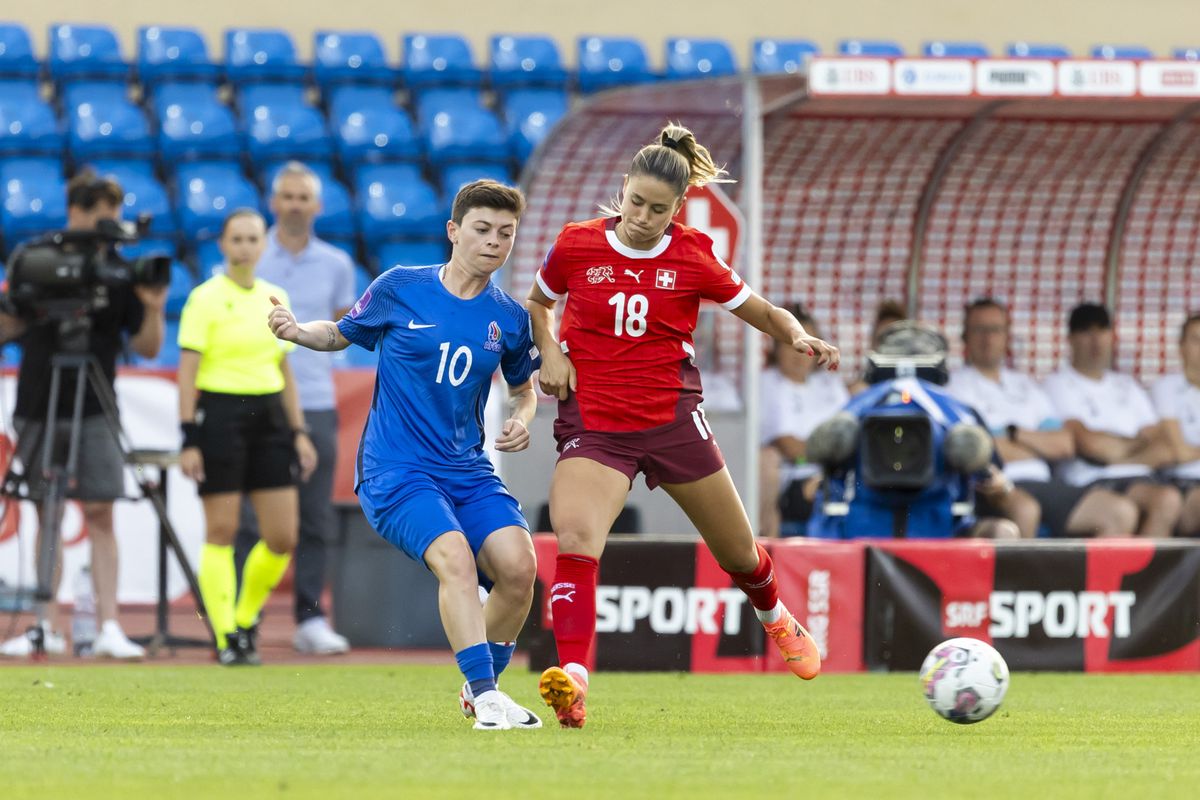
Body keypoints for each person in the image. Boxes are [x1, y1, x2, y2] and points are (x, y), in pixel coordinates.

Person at [526, 123, 840, 729]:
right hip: (596, 424)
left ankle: (776, 616)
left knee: (739, 554)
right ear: (622, 191)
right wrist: (552, 351)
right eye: (636, 202)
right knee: (575, 544)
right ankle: (574, 681)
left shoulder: (692, 253)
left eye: (658, 209)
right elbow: (540, 303)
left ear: (679, 207)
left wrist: (797, 335)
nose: (643, 217)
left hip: (672, 420)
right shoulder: (576, 245)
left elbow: (762, 311)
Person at [268, 180, 544, 731]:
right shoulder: (400, 287)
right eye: (482, 229)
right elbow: (340, 334)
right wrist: (299, 332)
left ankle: (479, 688)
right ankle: (488, 696)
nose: (494, 242)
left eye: (505, 233)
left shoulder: (510, 317)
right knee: (456, 561)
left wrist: (521, 418)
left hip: (465, 468)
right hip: (396, 468)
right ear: (453, 230)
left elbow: (523, 387)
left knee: (519, 569)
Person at [1, 170, 167, 660]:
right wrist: (30, 306)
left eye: (114, 214)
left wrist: (153, 306)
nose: (108, 225)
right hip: (39, 399)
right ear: (76, 211)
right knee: (45, 510)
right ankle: (45, 624)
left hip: (97, 403)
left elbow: (148, 346)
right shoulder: (37, 259)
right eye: (101, 214)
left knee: (101, 511)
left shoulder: (118, 272)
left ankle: (109, 626)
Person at [177, 209, 318, 665]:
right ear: (223, 244)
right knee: (221, 530)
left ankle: (243, 618)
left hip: (270, 414)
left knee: (282, 535)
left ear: (263, 245)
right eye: (236, 238)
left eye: (252, 239)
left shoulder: (273, 297)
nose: (243, 247)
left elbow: (284, 368)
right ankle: (225, 638)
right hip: (220, 413)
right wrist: (189, 437)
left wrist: (299, 431)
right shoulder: (204, 298)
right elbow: (188, 373)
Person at [235, 162, 356, 655]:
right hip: (255, 400)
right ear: (273, 202)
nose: (294, 204)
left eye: (303, 197)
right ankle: (245, 619)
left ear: (317, 206)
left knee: (315, 516)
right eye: (286, 196)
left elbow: (350, 326)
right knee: (248, 518)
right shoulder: (249, 256)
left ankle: (310, 617)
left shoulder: (337, 264)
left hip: (317, 401)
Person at [946, 298, 1135, 537]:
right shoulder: (954, 387)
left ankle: (1086, 577)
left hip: (1044, 483)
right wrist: (1036, 444)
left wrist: (1012, 435)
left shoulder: (1026, 385)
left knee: (1120, 511)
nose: (988, 338)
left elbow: (1064, 445)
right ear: (965, 337)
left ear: (1006, 336)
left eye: (995, 330)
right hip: (993, 484)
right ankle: (1020, 576)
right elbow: (980, 452)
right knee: (1026, 510)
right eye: (980, 330)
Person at [1042, 303, 1182, 537]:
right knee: (1160, 500)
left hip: (1140, 478)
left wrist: (1110, 452)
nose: (1096, 340)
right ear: (1072, 339)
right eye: (1087, 331)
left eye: (1102, 330)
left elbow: (1165, 449)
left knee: (1168, 499)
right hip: (1088, 481)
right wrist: (1137, 442)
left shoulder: (1127, 385)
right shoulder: (1057, 383)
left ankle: (1146, 573)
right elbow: (1088, 444)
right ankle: (1128, 573)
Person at [759, 305, 849, 537]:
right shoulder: (766, 383)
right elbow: (788, 446)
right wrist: (828, 458)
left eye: (807, 345)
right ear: (776, 348)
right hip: (794, 477)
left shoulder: (830, 385)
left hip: (833, 473)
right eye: (790, 345)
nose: (799, 353)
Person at [1150, 312, 1200, 536]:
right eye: (1196, 340)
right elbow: (1177, 451)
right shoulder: (1166, 387)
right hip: (1180, 483)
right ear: (1181, 347)